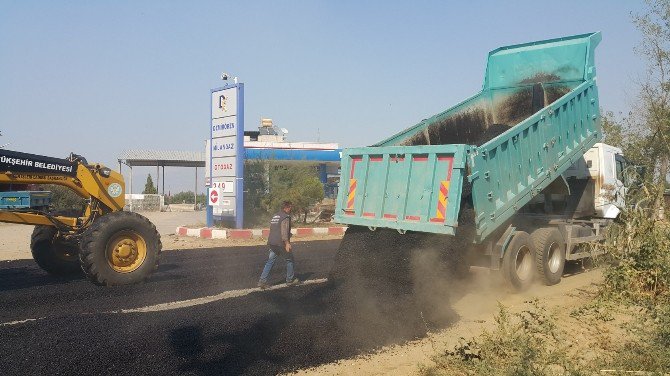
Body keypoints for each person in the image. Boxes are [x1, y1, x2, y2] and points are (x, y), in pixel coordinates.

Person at [258, 201, 300, 289]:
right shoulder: (286, 217)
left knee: (270, 261)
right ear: (287, 208)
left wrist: (289, 234)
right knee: (290, 260)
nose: (291, 209)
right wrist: (287, 243)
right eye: (290, 207)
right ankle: (290, 280)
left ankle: (262, 281)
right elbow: (284, 231)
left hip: (272, 242)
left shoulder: (275, 216)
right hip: (280, 243)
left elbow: (275, 228)